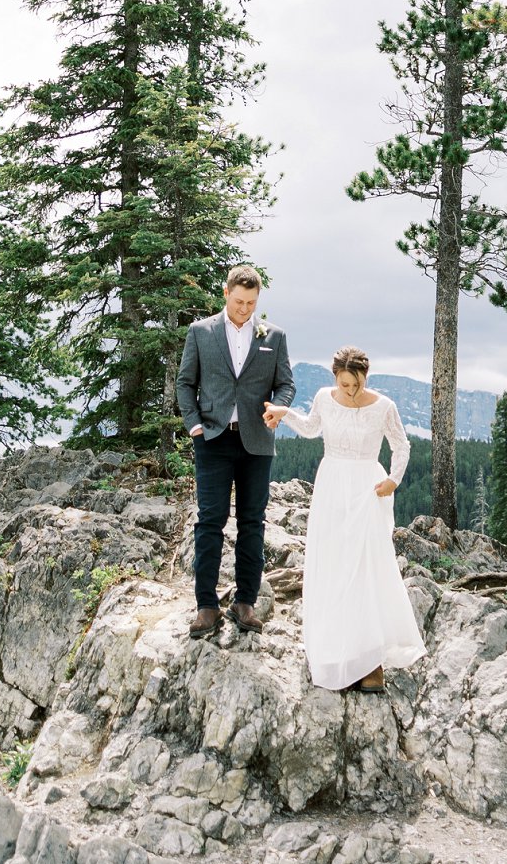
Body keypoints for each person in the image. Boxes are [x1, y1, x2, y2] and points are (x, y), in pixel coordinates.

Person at [264, 347, 427, 693]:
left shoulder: (383, 406)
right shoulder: (325, 398)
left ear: (365, 377)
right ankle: (334, 652)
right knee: (334, 566)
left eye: (355, 384)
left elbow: (402, 445)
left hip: (368, 490)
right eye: (344, 384)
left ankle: (371, 660)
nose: (350, 391)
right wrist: (284, 413)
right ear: (335, 378)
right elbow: (310, 429)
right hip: (332, 487)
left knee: (366, 568)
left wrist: (394, 480)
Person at [176, 265, 295, 638]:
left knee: (252, 522)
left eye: (252, 303)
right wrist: (195, 426)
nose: (245, 309)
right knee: (210, 521)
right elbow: (185, 383)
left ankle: (244, 602)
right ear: (226, 293)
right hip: (212, 438)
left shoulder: (273, 336)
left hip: (257, 442)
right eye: (239, 301)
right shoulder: (200, 332)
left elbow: (286, 385)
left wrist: (278, 407)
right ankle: (206, 607)